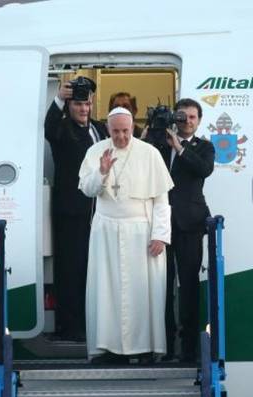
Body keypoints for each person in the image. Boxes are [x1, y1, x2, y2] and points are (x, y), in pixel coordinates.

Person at [78, 107, 174, 364]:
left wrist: (160, 235)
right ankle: (108, 349)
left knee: (143, 291)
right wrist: (101, 172)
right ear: (108, 130)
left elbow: (162, 200)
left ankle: (145, 348)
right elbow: (87, 190)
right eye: (115, 132)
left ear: (133, 128)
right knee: (106, 291)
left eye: (125, 131)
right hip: (106, 232)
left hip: (142, 232)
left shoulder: (149, 153)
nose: (121, 137)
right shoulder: (95, 151)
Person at [44, 76, 108, 342]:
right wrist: (59, 97)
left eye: (87, 104)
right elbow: (48, 128)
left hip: (98, 210)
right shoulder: (62, 129)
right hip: (71, 211)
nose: (83, 109)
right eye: (78, 104)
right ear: (70, 106)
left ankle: (94, 324)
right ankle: (70, 327)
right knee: (71, 269)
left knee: (95, 269)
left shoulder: (100, 128)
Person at [159, 98, 215, 362]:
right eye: (183, 116)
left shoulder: (204, 147)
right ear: (175, 117)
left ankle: (189, 349)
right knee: (162, 286)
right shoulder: (160, 144)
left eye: (193, 117)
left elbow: (204, 170)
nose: (188, 121)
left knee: (189, 286)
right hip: (161, 225)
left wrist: (179, 148)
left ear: (199, 120)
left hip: (190, 225)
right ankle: (165, 346)